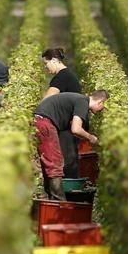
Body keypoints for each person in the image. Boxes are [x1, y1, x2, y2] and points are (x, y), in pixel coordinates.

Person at [33, 90, 108, 200]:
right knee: (55, 163)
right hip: (45, 124)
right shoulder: (83, 102)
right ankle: (60, 202)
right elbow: (76, 129)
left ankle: (51, 200)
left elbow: (74, 127)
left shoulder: (79, 99)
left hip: (41, 121)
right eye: (104, 107)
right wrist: (91, 138)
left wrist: (87, 136)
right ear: (100, 102)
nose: (102, 111)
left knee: (49, 161)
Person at [41, 47, 83, 178]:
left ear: (54, 60)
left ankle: (68, 191)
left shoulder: (61, 77)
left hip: (67, 125)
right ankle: (71, 188)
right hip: (71, 121)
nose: (46, 68)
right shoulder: (68, 75)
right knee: (70, 158)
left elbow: (46, 101)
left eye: (46, 63)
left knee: (67, 159)